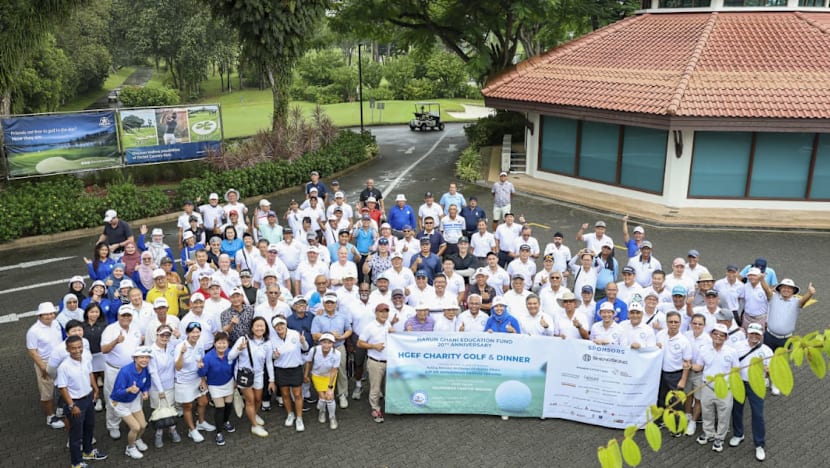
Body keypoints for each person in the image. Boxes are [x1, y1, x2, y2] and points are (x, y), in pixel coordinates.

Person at [57, 335, 107, 468]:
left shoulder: (85, 359)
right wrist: (72, 405)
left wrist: (96, 389)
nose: (77, 350)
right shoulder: (64, 367)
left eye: (79, 347)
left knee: (89, 427)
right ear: (68, 349)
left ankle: (88, 451)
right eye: (73, 348)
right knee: (76, 435)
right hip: (75, 403)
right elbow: (62, 388)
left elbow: (90, 373)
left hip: (88, 398)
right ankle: (76, 462)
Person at [730, 323, 774, 461]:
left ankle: (759, 444)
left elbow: (771, 371)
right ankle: (738, 434)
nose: (754, 337)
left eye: (757, 334)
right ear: (747, 333)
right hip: (739, 383)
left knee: (758, 414)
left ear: (761, 336)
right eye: (752, 334)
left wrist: (768, 372)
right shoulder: (737, 346)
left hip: (757, 385)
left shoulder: (767, 351)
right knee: (736, 410)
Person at [764, 278, 815, 395]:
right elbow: (766, 289)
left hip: (786, 339)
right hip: (769, 335)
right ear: (780, 288)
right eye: (784, 287)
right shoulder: (773, 297)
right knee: (766, 360)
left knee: (780, 362)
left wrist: (810, 293)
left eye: (789, 288)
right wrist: (762, 279)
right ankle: (765, 378)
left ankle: (775, 383)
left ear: (793, 291)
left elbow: (803, 301)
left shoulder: (796, 302)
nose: (786, 290)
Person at [694, 323, 739, 453]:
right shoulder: (704, 349)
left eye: (721, 335)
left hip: (725, 388)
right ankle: (708, 433)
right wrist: (688, 365)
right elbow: (699, 366)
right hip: (707, 387)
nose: (718, 337)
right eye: (715, 334)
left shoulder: (732, 352)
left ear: (726, 338)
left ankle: (720, 437)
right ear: (711, 335)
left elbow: (735, 370)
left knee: (723, 414)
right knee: (707, 411)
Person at [100, 305, 142, 440]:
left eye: (128, 315)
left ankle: (133, 421)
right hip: (115, 370)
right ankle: (113, 425)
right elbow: (104, 349)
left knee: (135, 396)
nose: (126, 318)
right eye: (123, 315)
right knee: (113, 398)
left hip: (132, 370)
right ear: (118, 316)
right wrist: (116, 341)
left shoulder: (135, 329)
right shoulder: (110, 330)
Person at [26, 302, 65, 429]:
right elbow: (32, 351)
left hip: (60, 360)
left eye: (51, 313)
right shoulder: (33, 331)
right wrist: (43, 367)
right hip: (45, 362)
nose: (49, 316)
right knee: (46, 391)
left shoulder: (57, 324)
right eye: (46, 314)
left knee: (63, 385)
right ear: (40, 316)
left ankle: (61, 408)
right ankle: (50, 416)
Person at [310, 293, 352, 409]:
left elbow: (349, 330)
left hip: (338, 347)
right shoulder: (318, 318)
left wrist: (343, 337)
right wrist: (329, 335)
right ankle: (323, 396)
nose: (329, 304)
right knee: (324, 372)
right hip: (323, 349)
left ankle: (342, 394)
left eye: (332, 302)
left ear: (335, 304)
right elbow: (314, 335)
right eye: (327, 302)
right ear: (323, 304)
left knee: (341, 371)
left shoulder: (342, 316)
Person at [110, 346, 153, 459]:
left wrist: (145, 391)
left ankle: (137, 439)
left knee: (143, 425)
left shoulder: (145, 369)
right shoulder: (124, 371)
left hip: (133, 400)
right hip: (120, 403)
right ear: (135, 358)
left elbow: (146, 383)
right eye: (141, 357)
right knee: (135, 427)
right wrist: (128, 389)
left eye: (147, 357)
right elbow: (116, 393)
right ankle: (130, 447)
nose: (145, 360)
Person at [175, 322, 213, 443]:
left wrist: (203, 379)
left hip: (197, 378)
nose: (195, 334)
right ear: (187, 333)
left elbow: (201, 361)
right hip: (184, 381)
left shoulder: (200, 344)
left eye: (197, 332)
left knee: (203, 402)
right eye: (193, 332)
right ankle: (192, 430)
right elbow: (178, 367)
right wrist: (181, 353)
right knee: (188, 406)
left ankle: (201, 422)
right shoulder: (180, 346)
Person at [271, 315, 309, 431]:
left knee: (297, 394)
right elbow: (271, 356)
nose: (280, 327)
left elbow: (305, 348)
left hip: (295, 368)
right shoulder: (271, 339)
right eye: (277, 325)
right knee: (285, 394)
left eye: (281, 324)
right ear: (274, 327)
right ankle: (290, 414)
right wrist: (275, 356)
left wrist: (303, 342)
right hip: (281, 370)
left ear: (286, 324)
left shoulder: (295, 334)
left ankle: (299, 418)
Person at [198, 331, 236, 446]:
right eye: (219, 343)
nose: (222, 345)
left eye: (224, 343)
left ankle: (226, 422)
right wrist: (200, 368)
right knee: (220, 407)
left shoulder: (230, 353)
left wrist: (236, 380)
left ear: (227, 343)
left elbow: (235, 367)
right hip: (214, 385)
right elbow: (202, 373)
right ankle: (219, 433)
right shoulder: (208, 357)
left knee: (229, 405)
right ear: (214, 344)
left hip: (229, 382)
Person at [147, 324, 182, 448]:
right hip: (157, 388)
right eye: (162, 335)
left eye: (167, 335)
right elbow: (153, 372)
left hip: (170, 384)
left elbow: (184, 344)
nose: (165, 337)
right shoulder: (151, 350)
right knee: (159, 410)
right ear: (157, 335)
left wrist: (179, 335)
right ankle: (159, 433)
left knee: (170, 408)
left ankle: (173, 430)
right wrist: (160, 390)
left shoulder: (172, 346)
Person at [358, 303, 391, 423]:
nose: (384, 314)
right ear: (376, 313)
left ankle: (390, 407)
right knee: (375, 388)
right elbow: (359, 343)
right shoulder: (370, 327)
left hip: (389, 362)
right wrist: (373, 346)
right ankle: (375, 409)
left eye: (386, 312)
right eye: (381, 312)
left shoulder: (388, 324)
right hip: (375, 362)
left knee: (389, 386)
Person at [655, 311, 692, 414]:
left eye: (676, 322)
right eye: (670, 322)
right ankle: (661, 421)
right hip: (661, 373)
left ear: (680, 323)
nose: (673, 324)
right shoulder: (660, 335)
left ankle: (677, 427)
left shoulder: (684, 341)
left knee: (676, 402)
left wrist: (683, 380)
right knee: (661, 398)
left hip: (676, 375)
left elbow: (687, 362)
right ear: (666, 322)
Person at [305, 333, 342, 430]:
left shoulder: (337, 354)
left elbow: (334, 371)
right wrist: (306, 375)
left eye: (329, 343)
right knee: (322, 397)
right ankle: (322, 412)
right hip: (317, 376)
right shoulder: (314, 350)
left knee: (329, 396)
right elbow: (308, 362)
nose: (326, 345)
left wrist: (330, 388)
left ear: (333, 344)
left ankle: (332, 417)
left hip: (330, 377)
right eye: (324, 342)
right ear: (320, 342)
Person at [82, 303, 107, 410]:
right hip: (89, 357)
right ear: (87, 313)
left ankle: (107, 398)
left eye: (96, 312)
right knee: (93, 380)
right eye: (91, 312)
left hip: (102, 355)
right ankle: (97, 399)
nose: (94, 314)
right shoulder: (82, 326)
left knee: (106, 379)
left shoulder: (104, 324)